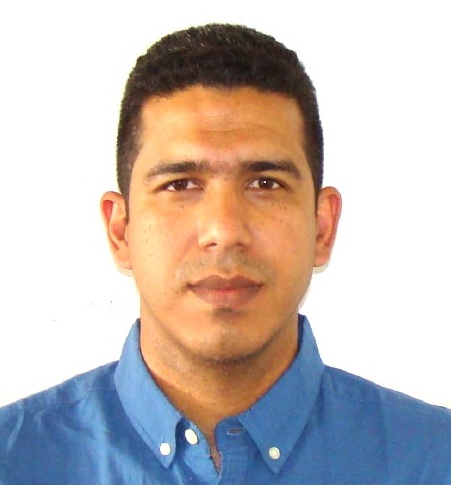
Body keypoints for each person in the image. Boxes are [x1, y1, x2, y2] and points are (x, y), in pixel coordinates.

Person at [0, 23, 450, 485]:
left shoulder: (436, 460)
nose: (224, 230)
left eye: (265, 184)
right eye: (180, 184)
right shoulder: (14, 460)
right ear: (120, 231)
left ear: (322, 227)